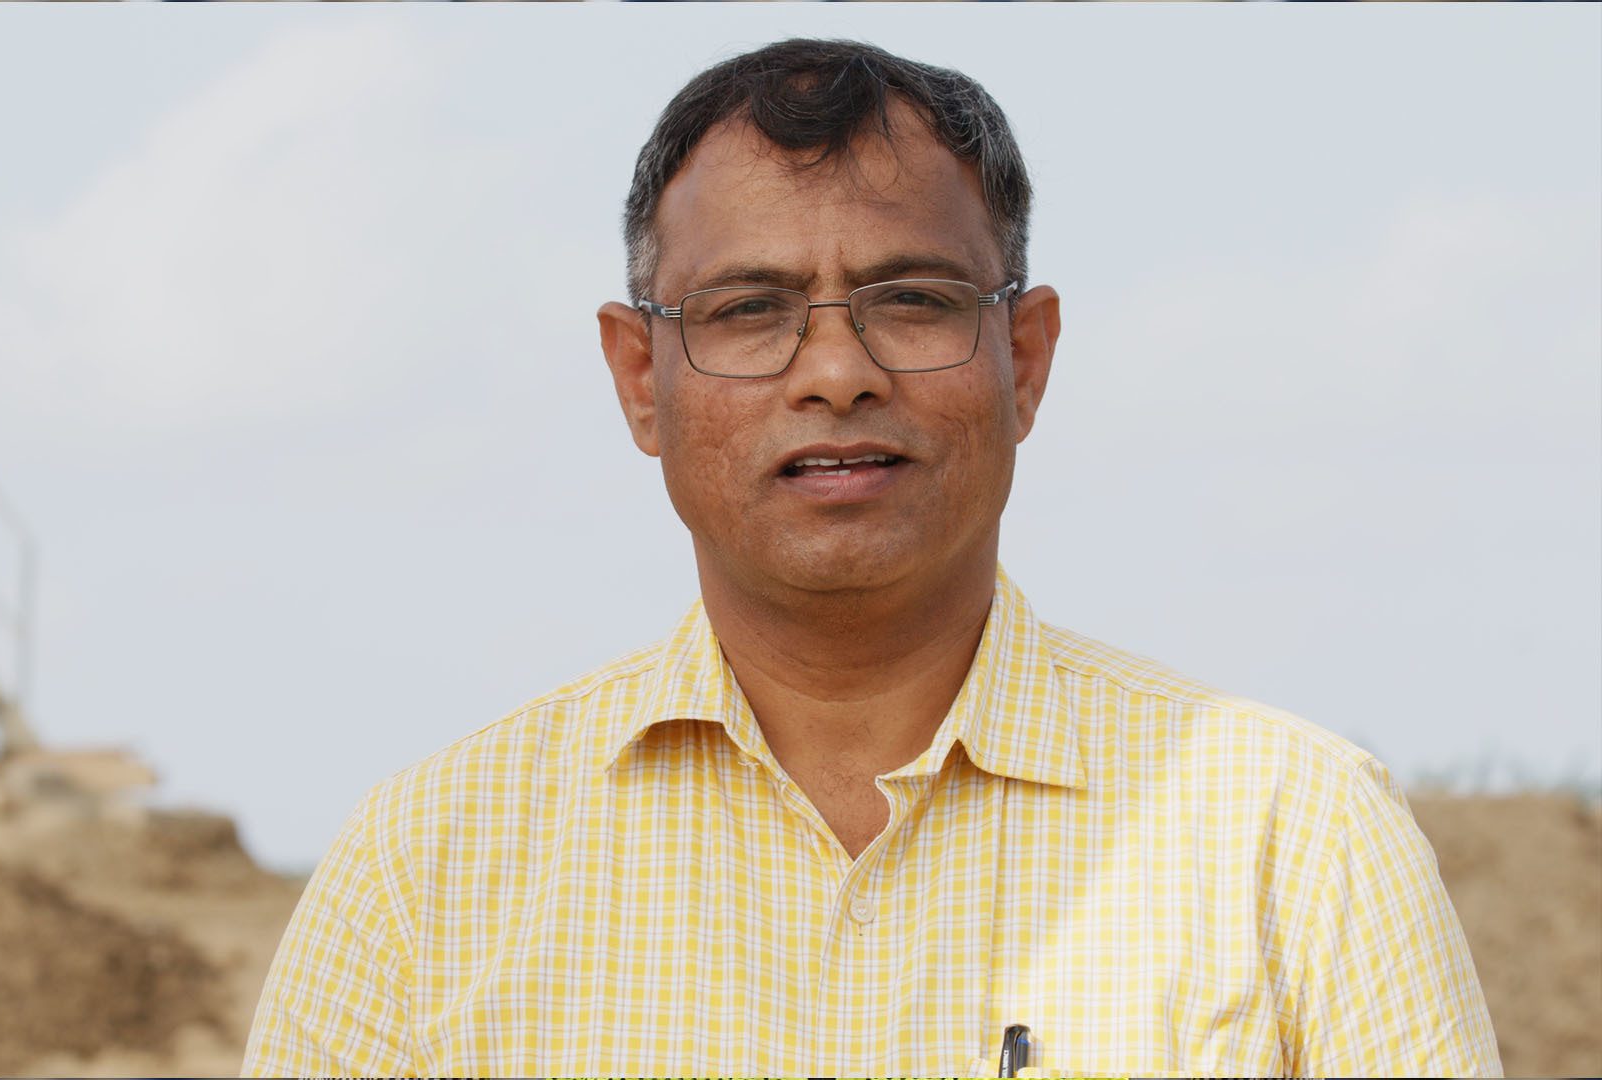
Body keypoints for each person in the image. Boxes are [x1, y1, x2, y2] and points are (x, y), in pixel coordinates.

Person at [244, 39, 1500, 1078]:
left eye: (913, 301)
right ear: (640, 380)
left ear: (1030, 358)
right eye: (748, 313)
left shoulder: (1293, 839)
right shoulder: (430, 869)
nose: (838, 374)